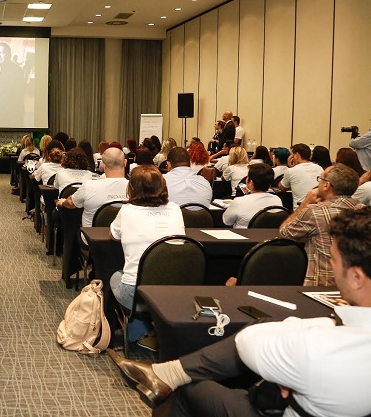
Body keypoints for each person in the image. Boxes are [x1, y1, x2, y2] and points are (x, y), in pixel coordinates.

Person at [107, 205, 371, 417]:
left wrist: (299, 341)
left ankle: (170, 374)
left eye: (333, 260)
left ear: (357, 277)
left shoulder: (323, 348)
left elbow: (247, 342)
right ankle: (168, 373)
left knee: (187, 387)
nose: (332, 269)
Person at [109, 165, 185, 343]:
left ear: (131, 188)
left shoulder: (127, 211)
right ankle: (149, 329)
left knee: (113, 275)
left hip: (135, 294)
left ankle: (137, 330)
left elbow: (113, 235)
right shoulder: (175, 209)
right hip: (174, 290)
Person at [279, 163, 362, 286]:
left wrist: (305, 203)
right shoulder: (364, 211)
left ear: (326, 185)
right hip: (357, 285)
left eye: (321, 179)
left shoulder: (314, 212)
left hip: (321, 286)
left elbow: (285, 233)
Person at [57, 147, 129, 228]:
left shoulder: (89, 185)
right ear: (125, 162)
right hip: (124, 238)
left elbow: (70, 203)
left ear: (103, 164)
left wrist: (63, 202)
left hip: (92, 239)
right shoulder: (137, 189)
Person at [222, 163, 283, 229]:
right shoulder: (277, 200)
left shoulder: (239, 201)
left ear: (250, 182)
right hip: (270, 237)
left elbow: (227, 222)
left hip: (242, 237)